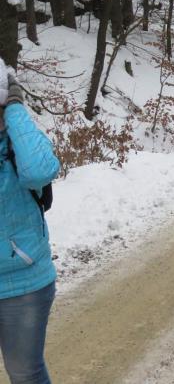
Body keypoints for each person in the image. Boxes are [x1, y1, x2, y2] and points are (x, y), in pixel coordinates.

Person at [0, 59, 60, 384]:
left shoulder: (22, 146)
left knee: (24, 373)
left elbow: (40, 170)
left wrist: (15, 110)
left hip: (22, 283)